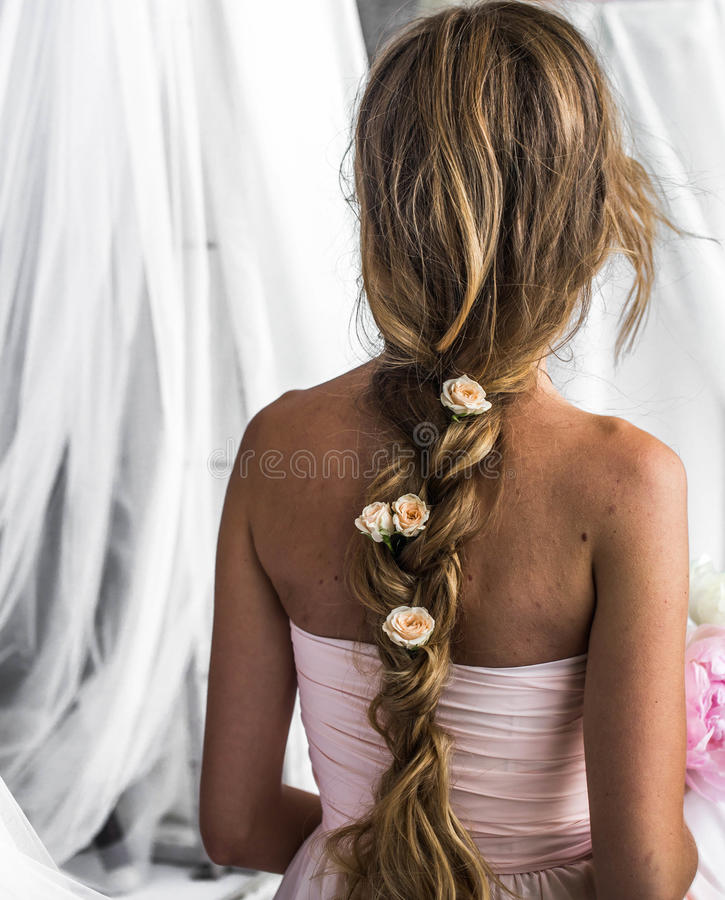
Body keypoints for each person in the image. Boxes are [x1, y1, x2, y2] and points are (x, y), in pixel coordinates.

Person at [199, 2, 699, 898]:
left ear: (375, 207)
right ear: (589, 222)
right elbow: (644, 879)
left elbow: (233, 821)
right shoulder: (627, 484)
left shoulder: (273, 445)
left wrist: (386, 851)